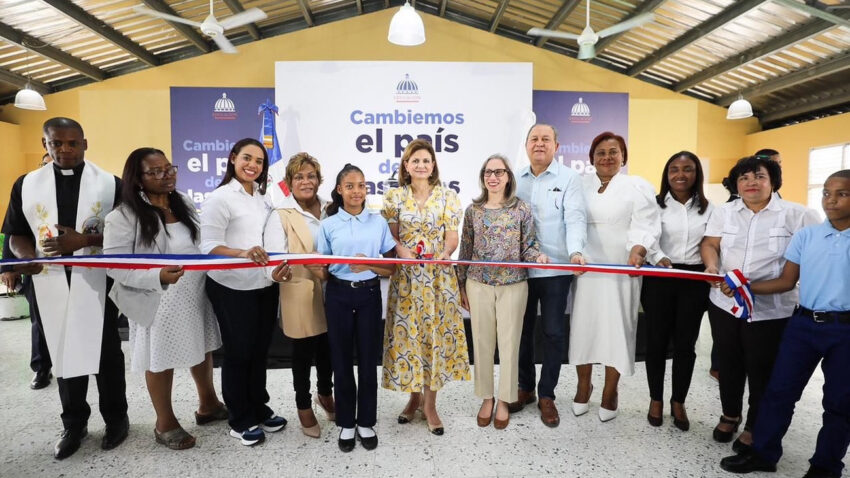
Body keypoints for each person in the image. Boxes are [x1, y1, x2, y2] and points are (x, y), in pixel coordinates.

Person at [1, 117, 128, 459]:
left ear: (85, 144)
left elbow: (126, 233)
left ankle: (116, 418)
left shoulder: (110, 184)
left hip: (97, 279)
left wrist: (84, 241)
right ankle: (74, 423)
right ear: (45, 145)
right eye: (56, 143)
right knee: (62, 349)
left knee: (106, 352)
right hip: (48, 278)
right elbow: (16, 232)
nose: (65, 149)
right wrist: (25, 257)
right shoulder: (26, 184)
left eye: (72, 143)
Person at [719, 170, 850, 478]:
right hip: (803, 325)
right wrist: (744, 288)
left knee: (840, 402)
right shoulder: (807, 236)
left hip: (845, 330)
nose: (831, 200)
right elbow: (786, 281)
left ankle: (825, 466)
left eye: (842, 194)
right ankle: (763, 453)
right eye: (826, 193)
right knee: (779, 391)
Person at [103, 148, 225, 450]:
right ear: (138, 178)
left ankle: (208, 404)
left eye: (169, 169)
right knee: (160, 358)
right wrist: (157, 276)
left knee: (202, 346)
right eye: (155, 172)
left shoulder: (182, 202)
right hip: (157, 297)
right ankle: (165, 422)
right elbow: (115, 266)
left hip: (194, 291)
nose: (166, 176)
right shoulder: (123, 215)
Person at [701, 155, 820, 454]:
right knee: (728, 362)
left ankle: (755, 425)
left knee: (762, 369)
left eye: (759, 176)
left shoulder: (799, 215)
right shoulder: (724, 212)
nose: (751, 182)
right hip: (724, 303)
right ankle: (730, 414)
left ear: (773, 182)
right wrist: (712, 266)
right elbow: (710, 244)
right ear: (736, 184)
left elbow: (808, 262)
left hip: (771, 309)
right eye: (743, 178)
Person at [200, 138, 292, 447]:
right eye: (247, 158)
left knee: (259, 350)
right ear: (233, 159)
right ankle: (239, 418)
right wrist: (242, 253)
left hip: (263, 285)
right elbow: (207, 246)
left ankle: (258, 407)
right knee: (239, 353)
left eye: (259, 161)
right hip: (231, 286)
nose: (253, 165)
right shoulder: (220, 198)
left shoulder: (263, 198)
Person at [569, 131, 660, 422]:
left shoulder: (637, 186)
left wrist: (639, 250)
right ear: (591, 158)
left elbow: (646, 224)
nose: (607, 157)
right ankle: (583, 386)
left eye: (613, 152)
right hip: (586, 268)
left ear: (623, 156)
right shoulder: (578, 184)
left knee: (618, 330)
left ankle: (611, 392)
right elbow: (571, 220)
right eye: (601, 153)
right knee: (583, 329)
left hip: (622, 268)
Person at [381, 139, 470, 435]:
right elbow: (391, 237)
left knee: (435, 338)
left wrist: (445, 253)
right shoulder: (394, 197)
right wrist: (401, 250)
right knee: (410, 339)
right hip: (407, 280)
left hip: (437, 279)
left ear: (433, 166)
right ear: (406, 166)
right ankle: (413, 398)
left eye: (426, 160)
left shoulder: (448, 196)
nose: (421, 165)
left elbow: (452, 237)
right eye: (415, 160)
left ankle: (430, 405)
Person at [457, 154, 548, 430]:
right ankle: (487, 398)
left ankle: (506, 400)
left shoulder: (521, 209)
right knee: (482, 343)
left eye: (498, 172)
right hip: (478, 285)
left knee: (510, 346)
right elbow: (465, 250)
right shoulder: (473, 211)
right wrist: (460, 284)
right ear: (483, 178)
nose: (493, 177)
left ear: (508, 176)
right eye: (488, 172)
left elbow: (528, 246)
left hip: (513, 285)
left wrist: (538, 257)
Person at [313, 164, 396, 452]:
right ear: (339, 190)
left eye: (361, 185)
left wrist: (368, 264)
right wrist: (311, 266)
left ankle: (366, 422)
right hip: (338, 295)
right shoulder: (328, 225)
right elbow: (324, 271)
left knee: (368, 360)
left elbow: (390, 268)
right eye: (350, 186)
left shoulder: (378, 222)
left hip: (369, 295)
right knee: (341, 360)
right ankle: (347, 422)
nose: (357, 191)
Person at [510, 123, 587, 428]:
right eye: (534, 139)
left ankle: (547, 394)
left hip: (556, 269)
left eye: (545, 139)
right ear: (526, 145)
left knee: (554, 332)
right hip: (521, 270)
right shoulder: (515, 179)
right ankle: (525, 387)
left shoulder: (569, 178)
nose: (539, 143)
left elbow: (576, 217)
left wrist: (576, 251)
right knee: (522, 331)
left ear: (557, 146)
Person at [641, 151, 713, 430]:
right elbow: (645, 236)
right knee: (656, 342)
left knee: (686, 345)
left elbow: (711, 244)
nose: (680, 174)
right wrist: (658, 256)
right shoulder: (654, 205)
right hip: (660, 276)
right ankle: (655, 400)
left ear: (697, 174)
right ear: (666, 174)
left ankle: (678, 401)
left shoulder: (710, 209)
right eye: (674, 169)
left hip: (694, 281)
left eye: (687, 169)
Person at [272, 152, 335, 438]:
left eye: (311, 176)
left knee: (327, 349)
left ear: (319, 180)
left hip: (332, 288)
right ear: (289, 182)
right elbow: (274, 256)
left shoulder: (333, 208)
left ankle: (326, 394)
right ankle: (303, 405)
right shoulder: (280, 214)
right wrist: (277, 272)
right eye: (299, 177)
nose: (306, 181)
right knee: (302, 352)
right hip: (299, 289)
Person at [2, 152, 53, 390]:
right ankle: (42, 368)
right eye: (45, 164)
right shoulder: (27, 189)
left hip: (77, 269)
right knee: (39, 321)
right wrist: (8, 267)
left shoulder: (81, 192)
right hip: (35, 268)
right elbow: (13, 230)